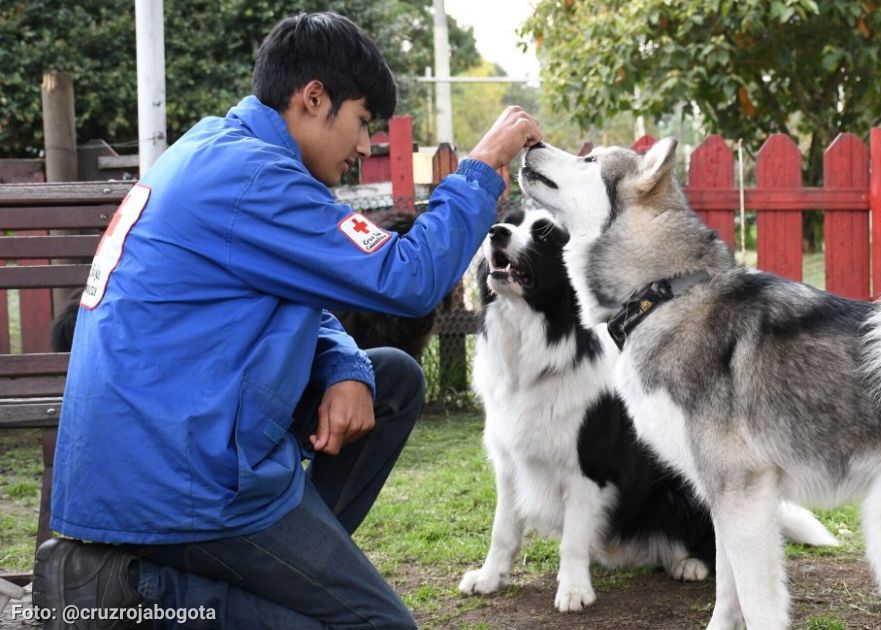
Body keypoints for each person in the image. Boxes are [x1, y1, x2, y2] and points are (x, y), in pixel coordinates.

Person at [32, 11, 541, 629]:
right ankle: (126, 589)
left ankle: (282, 570)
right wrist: (481, 167)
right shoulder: (256, 180)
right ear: (313, 98)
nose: (363, 145)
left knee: (391, 379)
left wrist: (347, 366)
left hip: (168, 439)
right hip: (178, 479)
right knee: (380, 625)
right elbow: (407, 278)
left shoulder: (223, 153)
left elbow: (295, 295)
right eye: (359, 122)